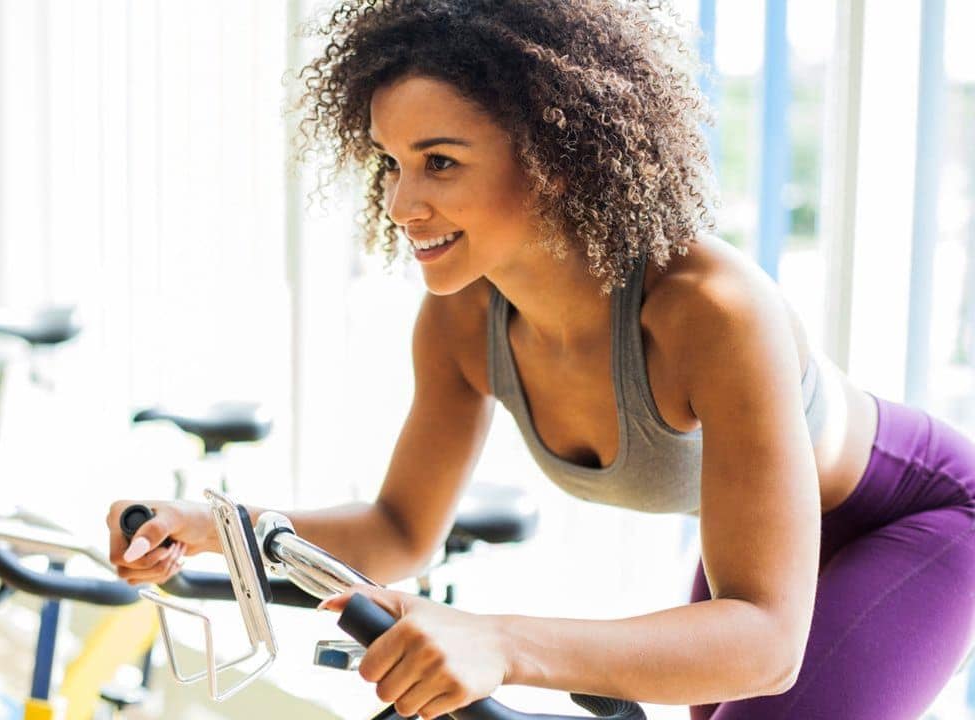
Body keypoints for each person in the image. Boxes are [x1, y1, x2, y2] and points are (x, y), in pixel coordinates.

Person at [106, 2, 975, 718]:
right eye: (393, 163)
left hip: (922, 520)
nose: (403, 203)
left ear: (555, 155)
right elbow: (400, 531)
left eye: (439, 162)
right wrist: (217, 529)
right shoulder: (462, 321)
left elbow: (765, 643)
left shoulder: (707, 310)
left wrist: (501, 642)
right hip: (768, 549)